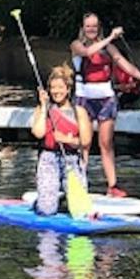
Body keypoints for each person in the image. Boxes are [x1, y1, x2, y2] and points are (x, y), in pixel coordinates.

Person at [70, 12, 140, 197]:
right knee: (85, 142)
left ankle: (112, 186)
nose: (91, 29)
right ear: (83, 28)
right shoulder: (76, 45)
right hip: (84, 98)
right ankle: (79, 183)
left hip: (106, 98)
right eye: (88, 26)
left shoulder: (109, 48)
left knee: (106, 143)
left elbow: (123, 63)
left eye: (94, 26)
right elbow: (87, 53)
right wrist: (110, 37)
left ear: (99, 27)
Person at [29, 64, 93, 216]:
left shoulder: (79, 112)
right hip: (48, 158)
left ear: (68, 89)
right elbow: (38, 133)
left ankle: (65, 198)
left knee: (80, 211)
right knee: (47, 210)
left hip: (71, 159)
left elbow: (85, 141)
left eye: (60, 87)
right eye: (53, 88)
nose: (56, 92)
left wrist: (66, 139)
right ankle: (42, 201)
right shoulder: (43, 109)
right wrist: (44, 107)